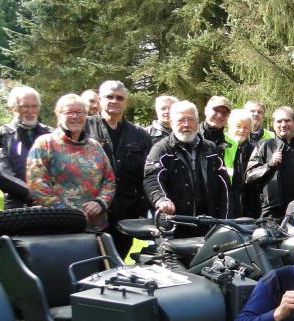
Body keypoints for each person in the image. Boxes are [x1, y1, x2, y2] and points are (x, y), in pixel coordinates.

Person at [26, 93, 115, 232]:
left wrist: (100, 202)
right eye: (69, 112)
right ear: (58, 115)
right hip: (57, 226)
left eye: (79, 112)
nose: (75, 116)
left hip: (94, 227)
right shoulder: (45, 143)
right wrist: (65, 213)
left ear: (86, 115)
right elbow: (36, 182)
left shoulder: (95, 146)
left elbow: (109, 180)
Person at [143, 100, 231, 238]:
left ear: (197, 122)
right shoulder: (161, 149)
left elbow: (224, 186)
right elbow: (152, 177)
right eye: (181, 120)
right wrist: (161, 199)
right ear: (171, 122)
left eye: (190, 119)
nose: (186, 124)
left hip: (208, 224)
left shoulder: (211, 149)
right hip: (174, 224)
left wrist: (224, 221)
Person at [85, 80, 152, 258]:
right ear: (100, 100)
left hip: (126, 212)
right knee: (92, 262)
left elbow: (148, 174)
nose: (114, 101)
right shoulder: (85, 128)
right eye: (109, 96)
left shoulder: (140, 135)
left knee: (118, 261)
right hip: (92, 211)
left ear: (126, 102)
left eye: (119, 98)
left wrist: (142, 207)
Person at [245, 106, 294, 221]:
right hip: (273, 212)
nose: (283, 124)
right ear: (274, 125)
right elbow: (249, 176)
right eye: (279, 121)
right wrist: (270, 164)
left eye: (287, 120)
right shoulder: (264, 145)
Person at [0, 85, 52, 209]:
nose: (30, 111)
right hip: (16, 204)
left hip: (51, 204)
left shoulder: (51, 133)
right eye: (25, 106)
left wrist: (46, 196)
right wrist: (31, 194)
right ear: (13, 107)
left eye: (34, 106)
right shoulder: (0, 134)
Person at [223, 108, 258, 218]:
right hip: (225, 204)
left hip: (248, 206)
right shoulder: (220, 147)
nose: (242, 130)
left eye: (246, 127)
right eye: (238, 126)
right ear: (229, 126)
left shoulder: (255, 150)